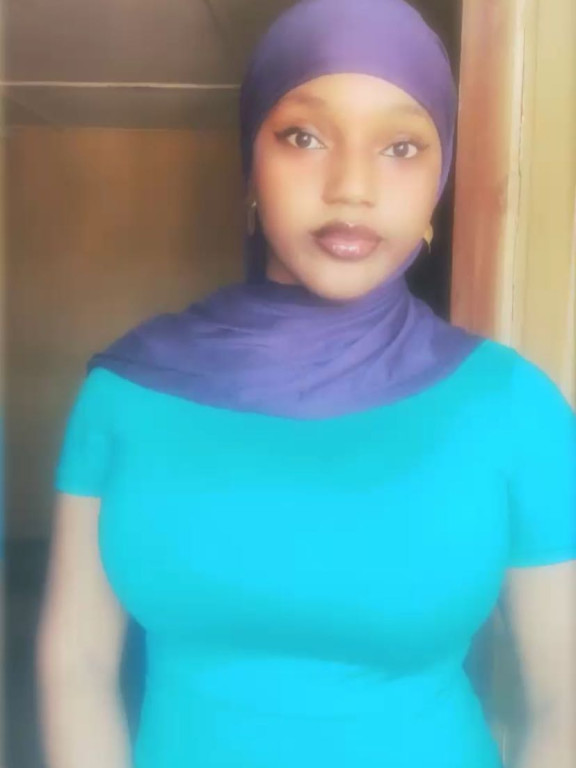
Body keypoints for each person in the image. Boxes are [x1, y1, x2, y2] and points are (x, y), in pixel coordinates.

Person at [36, 1, 576, 767]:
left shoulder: (514, 408)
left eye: (400, 146)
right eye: (305, 136)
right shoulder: (125, 395)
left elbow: (564, 703)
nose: (351, 186)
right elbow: (78, 663)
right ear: (251, 161)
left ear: (440, 177)